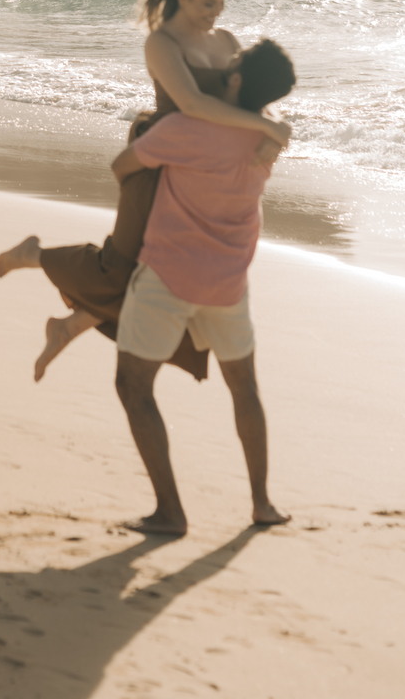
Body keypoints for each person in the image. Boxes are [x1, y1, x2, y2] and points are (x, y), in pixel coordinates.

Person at [0, 0, 292, 381]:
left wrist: (276, 129)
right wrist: (268, 127)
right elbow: (192, 105)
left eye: (222, 3)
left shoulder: (226, 42)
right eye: (208, 3)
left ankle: (69, 326)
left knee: (160, 275)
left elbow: (249, 93)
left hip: (200, 174)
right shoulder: (162, 44)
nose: (216, 13)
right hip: (158, 160)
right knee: (122, 264)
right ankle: (36, 256)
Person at [111, 34, 296, 536]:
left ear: (234, 80)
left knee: (133, 384)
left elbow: (122, 167)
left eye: (232, 63)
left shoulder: (186, 128)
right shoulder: (269, 139)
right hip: (230, 285)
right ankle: (262, 504)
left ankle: (170, 511)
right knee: (245, 389)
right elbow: (270, 121)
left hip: (168, 276)